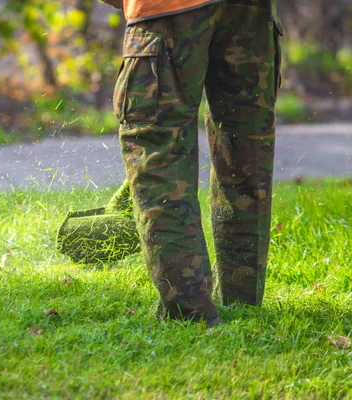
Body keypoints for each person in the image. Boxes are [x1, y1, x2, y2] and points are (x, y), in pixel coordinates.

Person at [102, 0, 283, 326]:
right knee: (245, 146)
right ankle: (242, 303)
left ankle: (190, 315)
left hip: (168, 8)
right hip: (251, 9)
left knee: (160, 150)